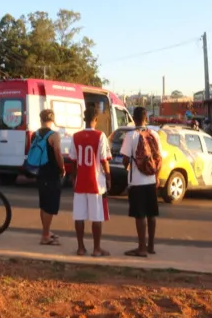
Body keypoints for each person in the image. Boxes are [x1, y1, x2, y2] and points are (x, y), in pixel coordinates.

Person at [120, 106, 162, 258]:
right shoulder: (154, 134)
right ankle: (150, 245)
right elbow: (159, 158)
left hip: (136, 180)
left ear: (134, 118)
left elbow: (125, 159)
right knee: (151, 213)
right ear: (146, 118)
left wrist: (128, 167)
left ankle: (141, 248)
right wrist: (156, 176)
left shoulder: (131, 136)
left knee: (140, 215)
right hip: (151, 179)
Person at [69, 107, 111, 257]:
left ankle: (81, 248)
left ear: (84, 119)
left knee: (79, 216)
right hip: (96, 182)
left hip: (80, 181)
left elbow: (73, 160)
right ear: (96, 120)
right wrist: (109, 176)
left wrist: (74, 177)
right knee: (96, 217)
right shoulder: (101, 136)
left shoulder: (75, 136)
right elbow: (104, 160)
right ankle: (96, 249)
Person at [32, 109, 65, 246]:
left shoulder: (36, 134)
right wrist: (62, 167)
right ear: (53, 119)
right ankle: (45, 236)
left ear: (41, 119)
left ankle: (46, 231)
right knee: (50, 205)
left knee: (44, 204)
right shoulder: (54, 135)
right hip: (51, 173)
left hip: (40, 172)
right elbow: (57, 152)